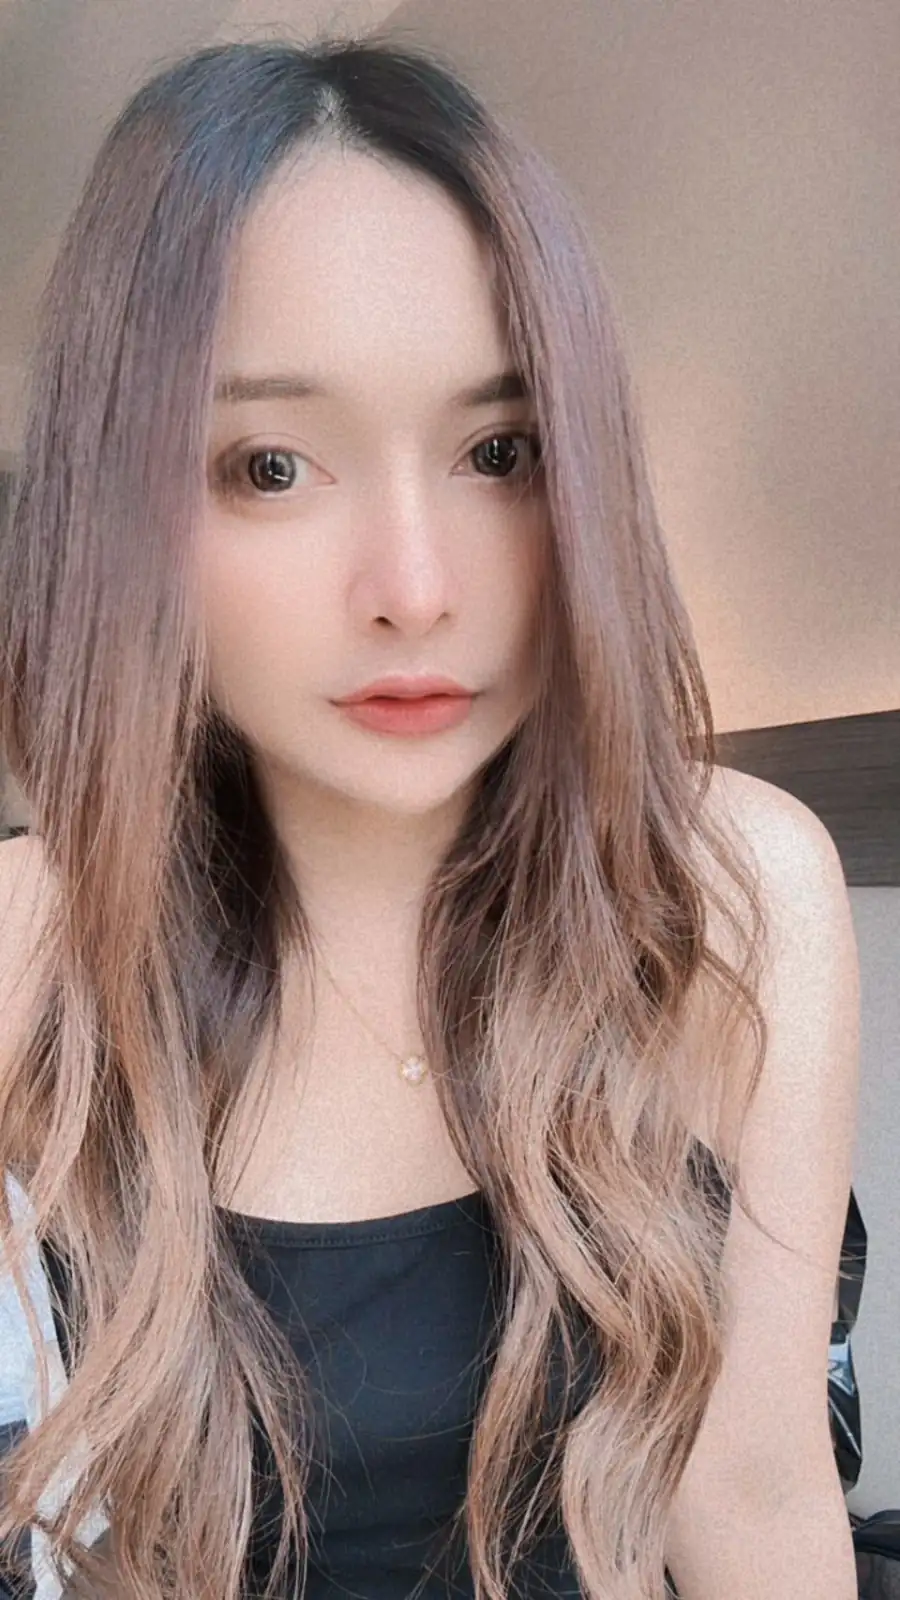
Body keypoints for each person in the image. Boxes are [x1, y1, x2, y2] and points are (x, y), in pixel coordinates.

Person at [0, 29, 860, 1600]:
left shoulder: (731, 891)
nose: (415, 588)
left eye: (497, 451)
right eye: (271, 466)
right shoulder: (32, 945)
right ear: (121, 509)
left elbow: (754, 1493)